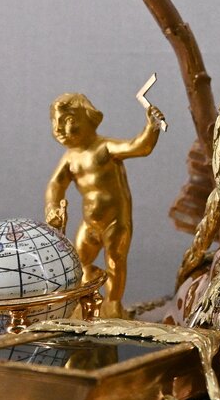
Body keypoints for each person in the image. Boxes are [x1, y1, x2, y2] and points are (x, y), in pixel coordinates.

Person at [44, 92, 165, 319]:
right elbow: (56, 185)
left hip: (115, 222)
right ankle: (87, 297)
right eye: (55, 122)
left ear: (90, 120)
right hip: (90, 224)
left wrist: (152, 127)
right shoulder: (70, 158)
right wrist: (52, 207)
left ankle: (114, 304)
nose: (59, 128)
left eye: (68, 120)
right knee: (76, 263)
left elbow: (139, 147)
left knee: (116, 260)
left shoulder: (105, 148)